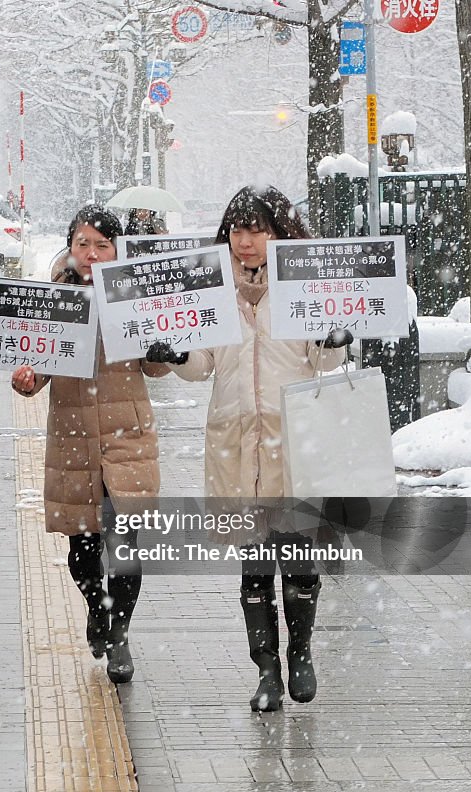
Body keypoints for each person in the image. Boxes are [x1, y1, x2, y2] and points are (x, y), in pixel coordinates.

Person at [145, 185, 351, 712]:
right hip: (236, 446)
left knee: (299, 562)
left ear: (279, 233)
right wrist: (174, 354)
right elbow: (203, 367)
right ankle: (266, 670)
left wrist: (334, 339)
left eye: (258, 229)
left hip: (294, 445)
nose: (247, 242)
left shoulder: (302, 287)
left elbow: (325, 365)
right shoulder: (213, 291)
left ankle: (301, 651)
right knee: (255, 568)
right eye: (238, 230)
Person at [11, 204, 171, 684]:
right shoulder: (53, 301)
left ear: (117, 249)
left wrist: (164, 348)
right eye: (84, 243)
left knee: (124, 544)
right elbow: (33, 373)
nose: (93, 253)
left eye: (103, 244)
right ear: (70, 247)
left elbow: (157, 367)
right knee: (82, 546)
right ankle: (95, 608)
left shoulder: (135, 295)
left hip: (128, 435)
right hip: (74, 439)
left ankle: (119, 632)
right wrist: (24, 378)